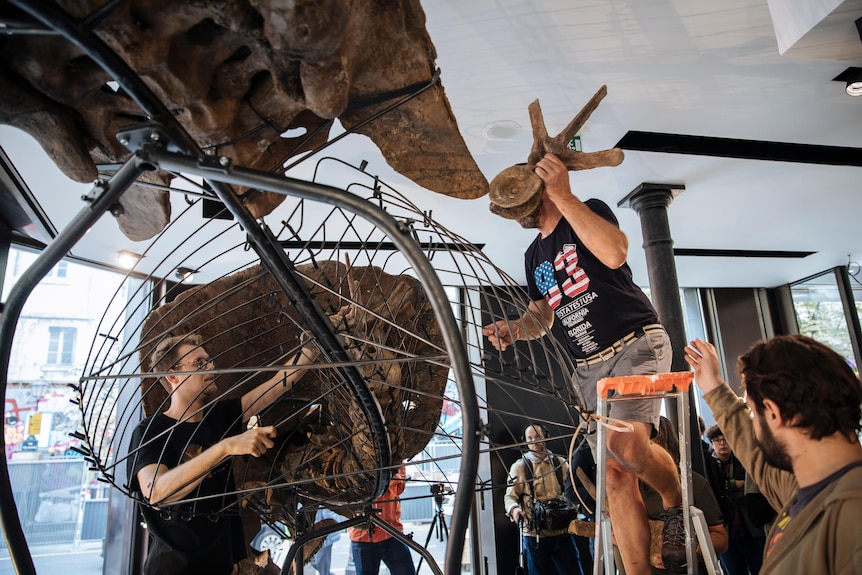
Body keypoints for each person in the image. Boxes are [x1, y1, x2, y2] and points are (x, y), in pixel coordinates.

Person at [484, 152, 684, 574]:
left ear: (539, 189)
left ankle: (675, 502)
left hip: (635, 345)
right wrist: (515, 328)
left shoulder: (587, 211)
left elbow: (615, 253)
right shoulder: (532, 255)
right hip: (588, 368)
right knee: (613, 477)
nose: (517, 214)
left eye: (521, 201)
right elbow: (542, 316)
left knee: (626, 448)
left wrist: (564, 195)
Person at [128, 333, 316, 575]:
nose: (211, 367)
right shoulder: (150, 432)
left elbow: (280, 382)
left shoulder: (220, 417)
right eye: (199, 363)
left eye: (209, 360)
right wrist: (226, 447)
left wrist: (315, 344)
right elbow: (157, 492)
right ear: (173, 376)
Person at [684, 335, 862, 575]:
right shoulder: (808, 489)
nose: (754, 425)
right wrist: (713, 387)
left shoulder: (849, 518)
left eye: (754, 414)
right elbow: (755, 454)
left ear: (774, 414)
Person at [614, 416, 728, 574]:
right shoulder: (627, 486)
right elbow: (615, 534)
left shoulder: (692, 482)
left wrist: (690, 553)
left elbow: (720, 537)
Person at [504, 423, 585, 575]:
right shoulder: (520, 467)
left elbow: (573, 491)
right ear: (525, 440)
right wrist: (514, 510)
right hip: (535, 536)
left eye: (538, 436)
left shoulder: (560, 464)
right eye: (530, 438)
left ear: (545, 437)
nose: (534, 441)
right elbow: (510, 497)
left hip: (562, 532)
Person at [706, 424, 771, 575]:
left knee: (761, 569)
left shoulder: (744, 461)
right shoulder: (709, 465)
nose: (722, 443)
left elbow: (751, 491)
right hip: (726, 531)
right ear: (712, 443)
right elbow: (714, 493)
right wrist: (736, 484)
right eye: (717, 440)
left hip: (750, 528)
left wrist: (731, 489)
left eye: (725, 439)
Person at [348, 466, 416, 575]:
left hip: (392, 532)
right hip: (362, 536)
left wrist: (377, 481)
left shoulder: (393, 454)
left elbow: (400, 486)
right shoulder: (352, 456)